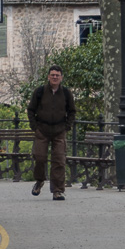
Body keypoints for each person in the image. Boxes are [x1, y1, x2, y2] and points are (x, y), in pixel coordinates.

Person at [27, 65, 76, 200]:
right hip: (42, 130)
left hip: (59, 130)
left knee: (59, 160)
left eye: (57, 75)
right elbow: (31, 109)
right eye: (52, 75)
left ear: (61, 78)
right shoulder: (40, 91)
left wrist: (67, 126)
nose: (55, 77)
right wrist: (34, 126)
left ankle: (58, 190)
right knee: (40, 157)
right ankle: (39, 180)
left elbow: (72, 111)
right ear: (48, 76)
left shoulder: (66, 93)